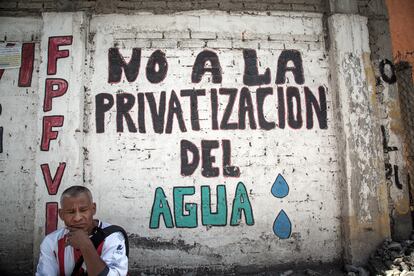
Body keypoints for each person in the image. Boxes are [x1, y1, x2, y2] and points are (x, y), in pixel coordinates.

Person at [36, 186, 128, 275]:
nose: (77, 218)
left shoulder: (112, 237)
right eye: (71, 212)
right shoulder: (51, 242)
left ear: (93, 209)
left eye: (83, 210)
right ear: (61, 214)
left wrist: (85, 245)